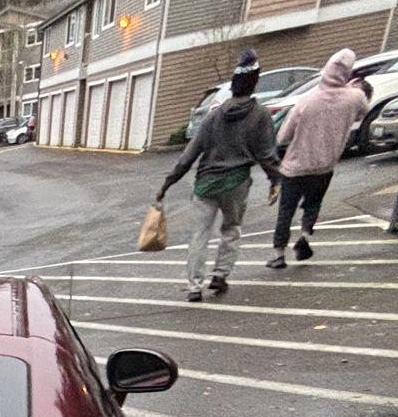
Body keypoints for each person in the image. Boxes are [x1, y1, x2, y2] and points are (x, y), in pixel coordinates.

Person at [157, 50, 281, 302]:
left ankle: (194, 285)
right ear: (254, 83)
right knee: (231, 229)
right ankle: (220, 275)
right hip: (236, 181)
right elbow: (267, 152)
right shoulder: (260, 116)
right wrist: (275, 180)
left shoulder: (214, 116)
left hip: (205, 183)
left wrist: (168, 182)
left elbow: (190, 154)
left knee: (199, 234)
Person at [267, 49, 370, 268]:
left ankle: (278, 254)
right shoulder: (354, 98)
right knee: (313, 204)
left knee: (286, 210)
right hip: (325, 166)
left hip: (296, 166)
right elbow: (362, 113)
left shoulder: (306, 101)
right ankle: (305, 235)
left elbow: (283, 136)